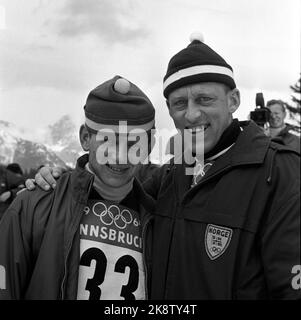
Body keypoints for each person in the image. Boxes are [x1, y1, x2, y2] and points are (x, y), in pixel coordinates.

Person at [25, 34, 300, 299]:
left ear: (233, 101)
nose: (191, 114)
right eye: (180, 103)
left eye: (205, 99)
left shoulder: (279, 173)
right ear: (169, 109)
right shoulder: (171, 175)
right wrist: (58, 181)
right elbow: (110, 180)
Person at [0, 75, 156, 300]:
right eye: (108, 140)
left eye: (134, 144)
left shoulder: (157, 218)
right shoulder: (33, 205)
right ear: (85, 138)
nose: (121, 156)